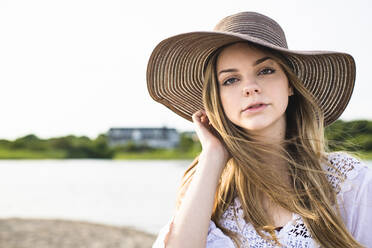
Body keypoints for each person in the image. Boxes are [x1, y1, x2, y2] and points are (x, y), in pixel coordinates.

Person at [146, 11, 372, 248]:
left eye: (265, 70)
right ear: (217, 99)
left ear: (290, 85)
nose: (250, 88)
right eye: (231, 80)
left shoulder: (346, 181)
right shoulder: (209, 194)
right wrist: (213, 154)